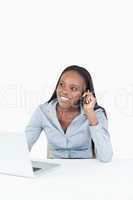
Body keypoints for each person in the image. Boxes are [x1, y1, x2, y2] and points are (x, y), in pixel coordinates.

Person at [25, 65, 113, 162]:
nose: (64, 91)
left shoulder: (96, 114)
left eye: (73, 88)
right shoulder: (43, 112)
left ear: (85, 93)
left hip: (86, 170)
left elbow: (106, 157)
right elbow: (24, 146)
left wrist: (90, 114)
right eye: (61, 84)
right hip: (55, 171)